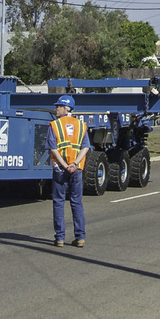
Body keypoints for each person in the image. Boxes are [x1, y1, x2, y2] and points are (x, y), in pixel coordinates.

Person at [48, 97, 89, 249]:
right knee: (76, 202)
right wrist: (75, 163)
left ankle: (59, 238)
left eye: (58, 106)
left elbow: (53, 149)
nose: (56, 109)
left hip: (60, 168)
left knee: (59, 202)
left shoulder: (54, 125)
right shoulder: (81, 125)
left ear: (65, 108)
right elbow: (85, 147)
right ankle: (80, 237)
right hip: (76, 169)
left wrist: (65, 165)